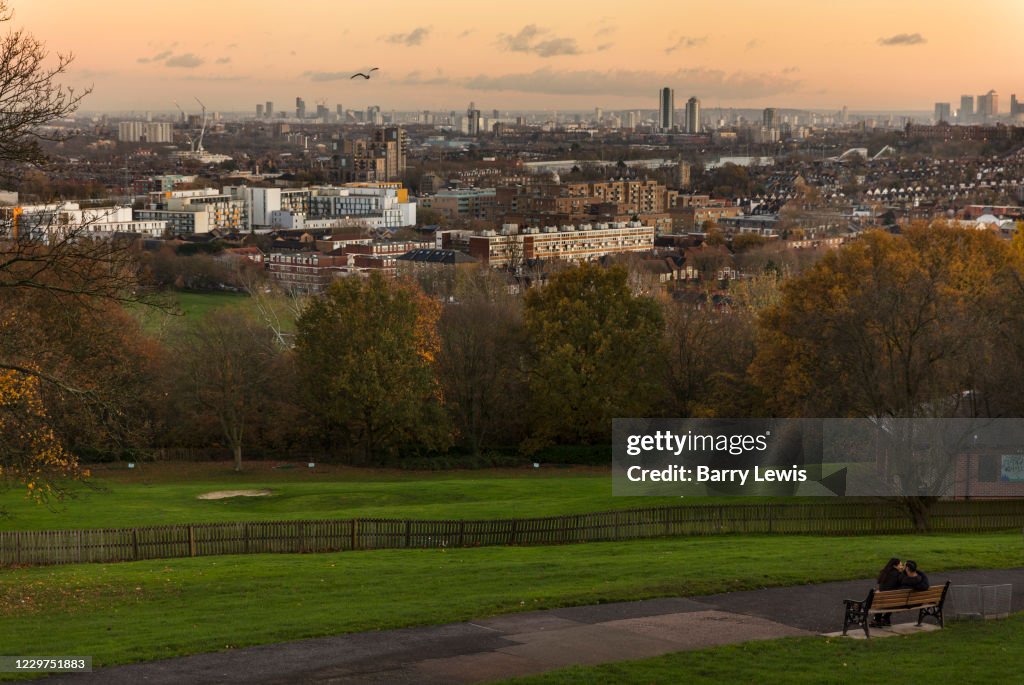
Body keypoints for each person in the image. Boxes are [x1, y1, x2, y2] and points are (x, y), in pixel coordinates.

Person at [870, 557, 902, 627]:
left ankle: (877, 620)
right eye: (900, 565)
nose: (901, 567)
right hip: (894, 601)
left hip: (883, 599)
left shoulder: (884, 573)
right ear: (894, 566)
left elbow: (883, 587)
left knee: (882, 597)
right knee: (892, 598)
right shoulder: (899, 575)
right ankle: (885, 618)